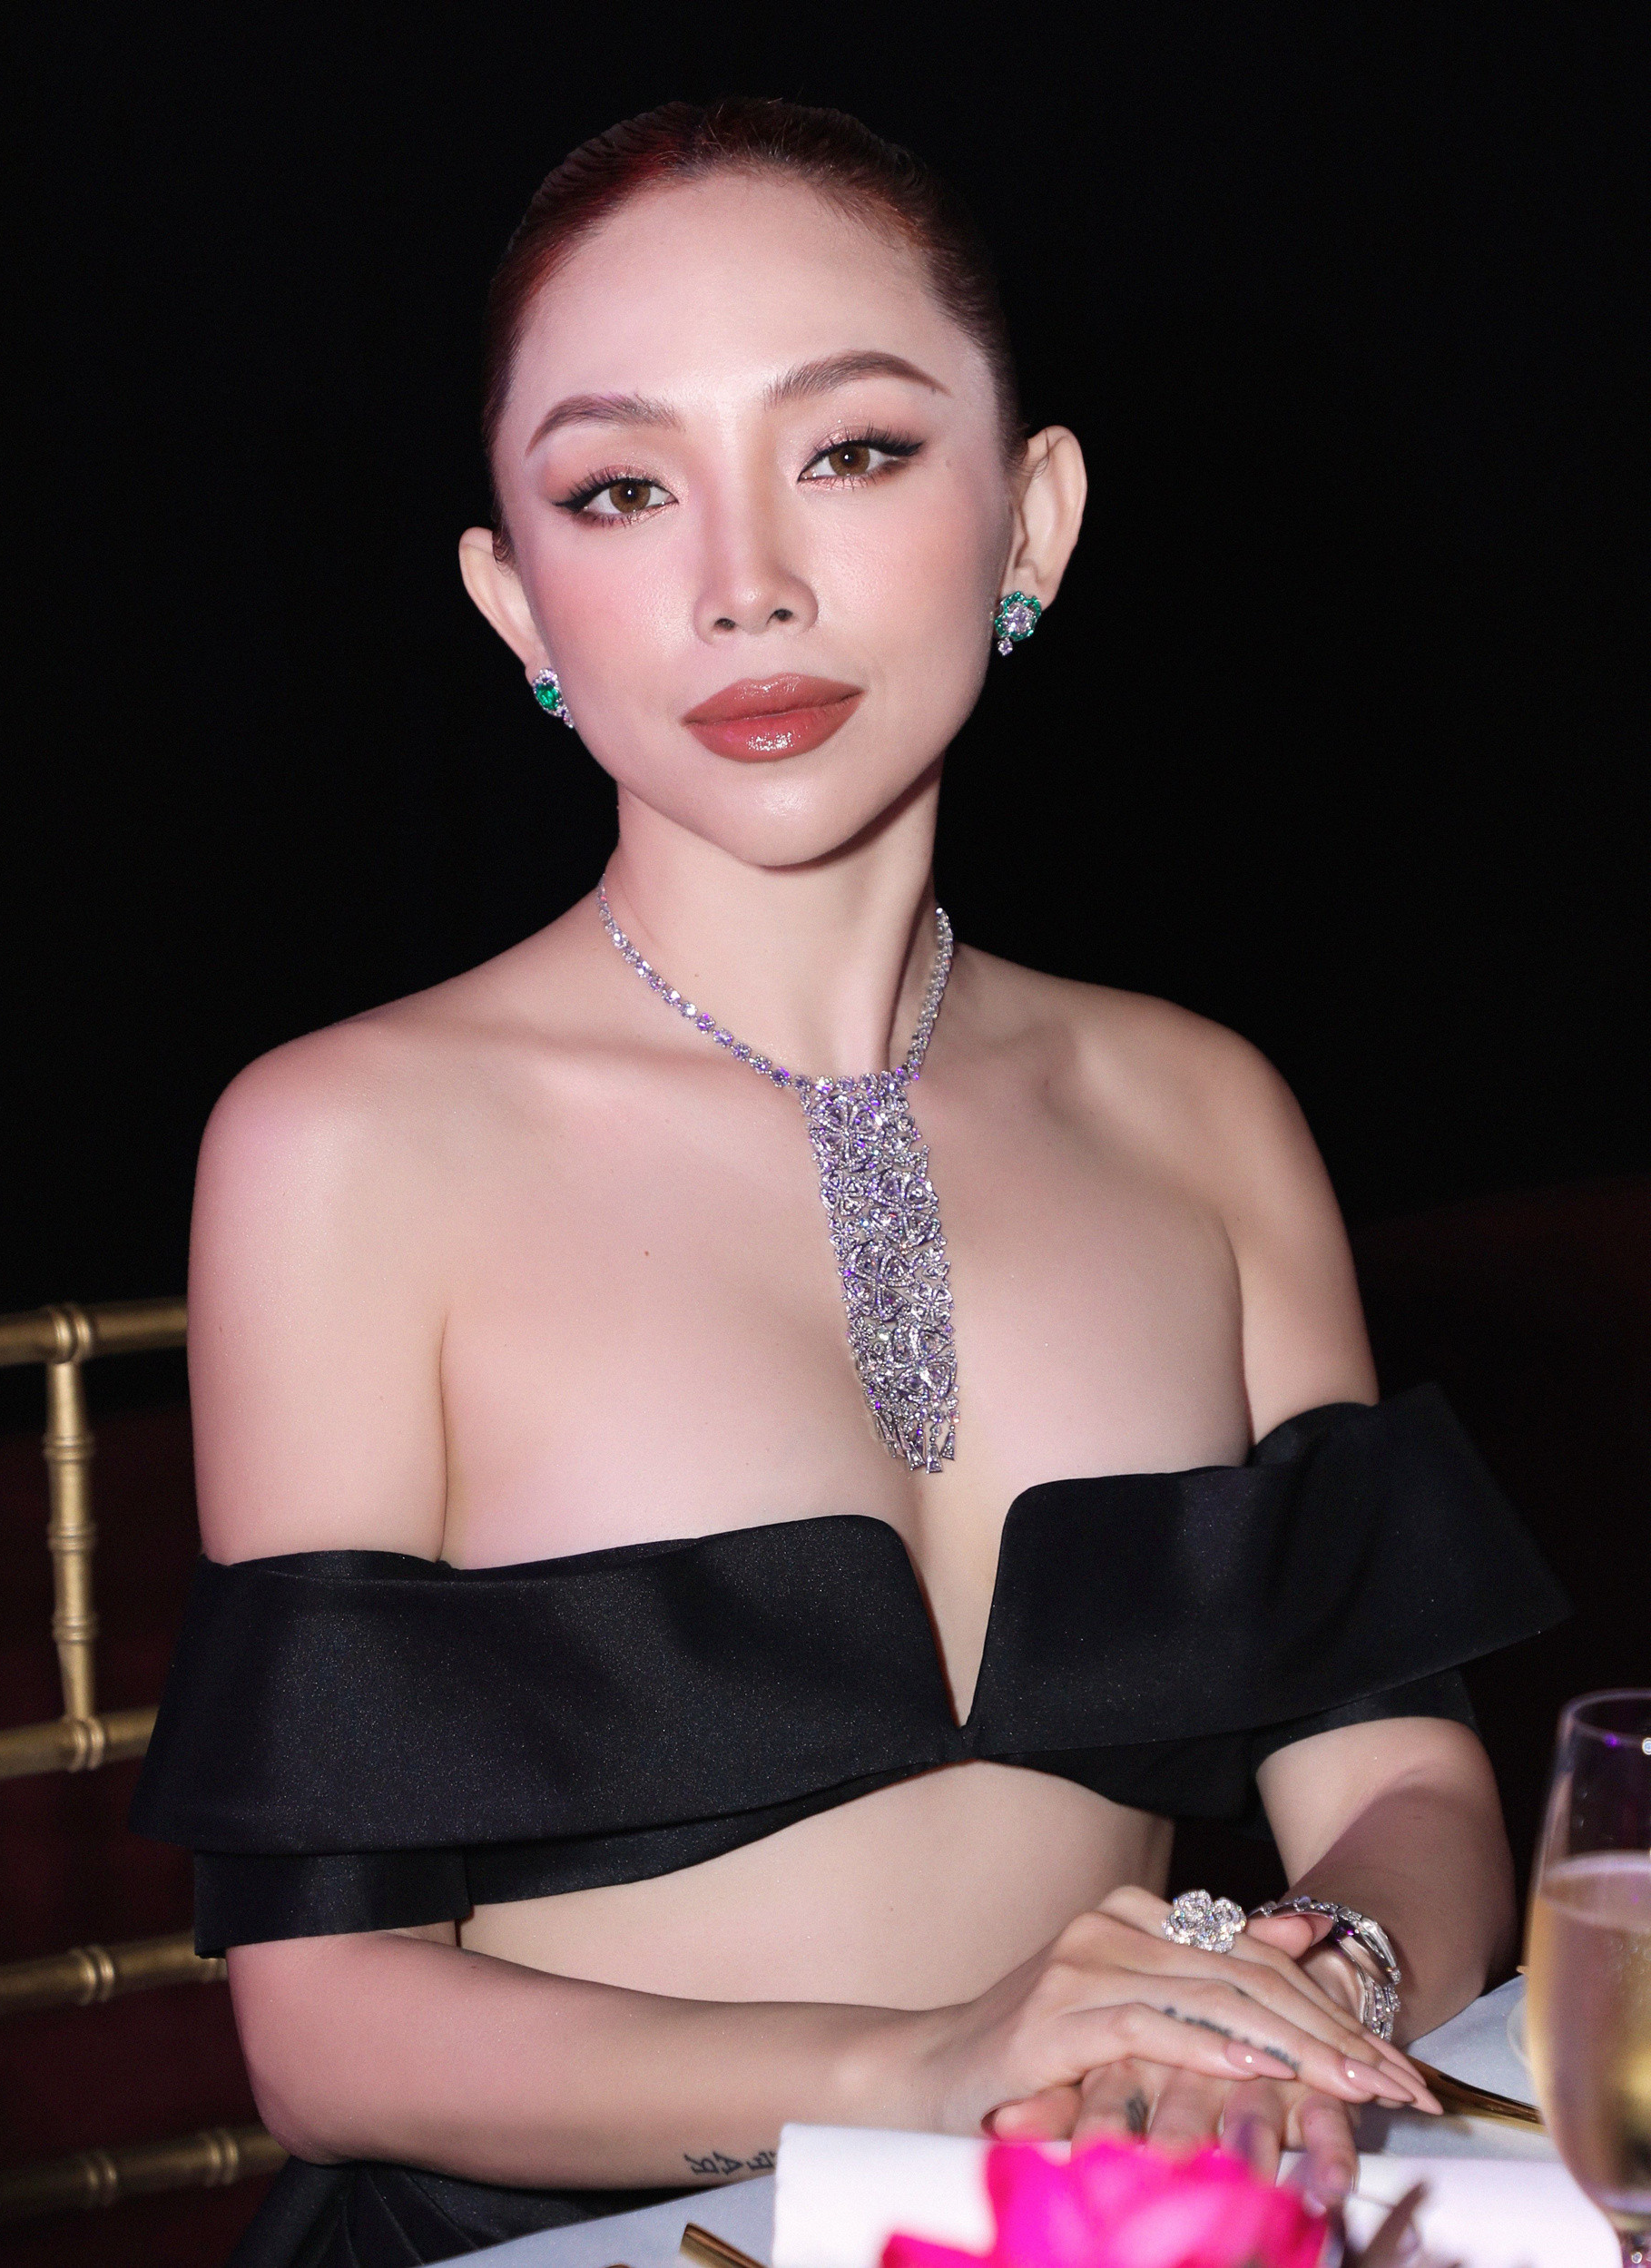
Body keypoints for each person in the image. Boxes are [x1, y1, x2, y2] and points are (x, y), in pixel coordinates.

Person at [133, 99, 1564, 2268]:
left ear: (1032, 517)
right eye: (622, 489)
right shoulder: (343, 1148)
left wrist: (1314, 1977)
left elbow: (1397, 1776)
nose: (745, 583)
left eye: (855, 450)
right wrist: (927, 2066)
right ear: (513, 596)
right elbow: (326, 2030)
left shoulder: (1201, 1113)